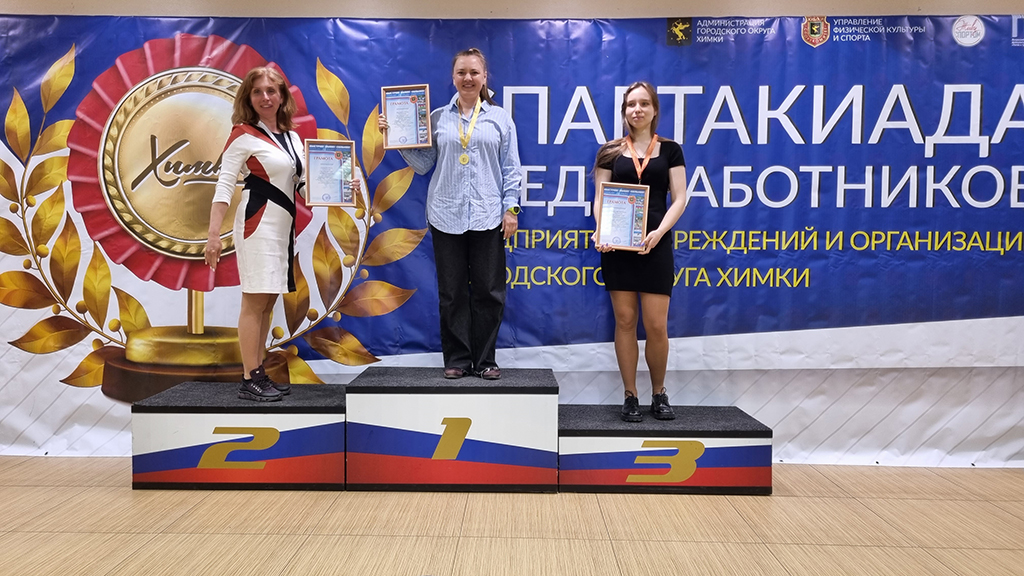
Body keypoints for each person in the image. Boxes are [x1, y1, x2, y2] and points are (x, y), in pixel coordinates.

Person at [379, 47, 522, 380]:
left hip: (488, 214)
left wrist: (511, 209)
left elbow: (511, 168)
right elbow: (424, 164)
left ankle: (485, 361)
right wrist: (395, 136)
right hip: (446, 214)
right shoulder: (437, 117)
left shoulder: (500, 118)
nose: (467, 78)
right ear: (453, 77)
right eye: (461, 72)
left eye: (474, 72)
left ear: (484, 77)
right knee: (452, 292)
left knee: (489, 292)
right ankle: (457, 359)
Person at [204, 66, 305, 402]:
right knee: (255, 301)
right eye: (258, 91)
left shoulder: (292, 138)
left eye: (271, 91)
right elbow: (224, 185)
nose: (265, 97)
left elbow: (305, 186)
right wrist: (213, 235)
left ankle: (257, 371)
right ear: (248, 97)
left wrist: (343, 186)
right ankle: (250, 378)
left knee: (268, 302)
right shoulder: (242, 134)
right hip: (256, 225)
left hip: (283, 228)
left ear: (282, 96)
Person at [593, 81, 688, 422]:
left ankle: (659, 393)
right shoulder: (609, 151)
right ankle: (630, 395)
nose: (637, 109)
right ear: (624, 112)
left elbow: (680, 198)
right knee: (625, 321)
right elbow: (600, 198)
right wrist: (601, 230)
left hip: (656, 246)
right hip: (617, 247)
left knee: (656, 325)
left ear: (654, 109)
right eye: (631, 104)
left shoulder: (671, 150)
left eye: (644, 103)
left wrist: (659, 232)